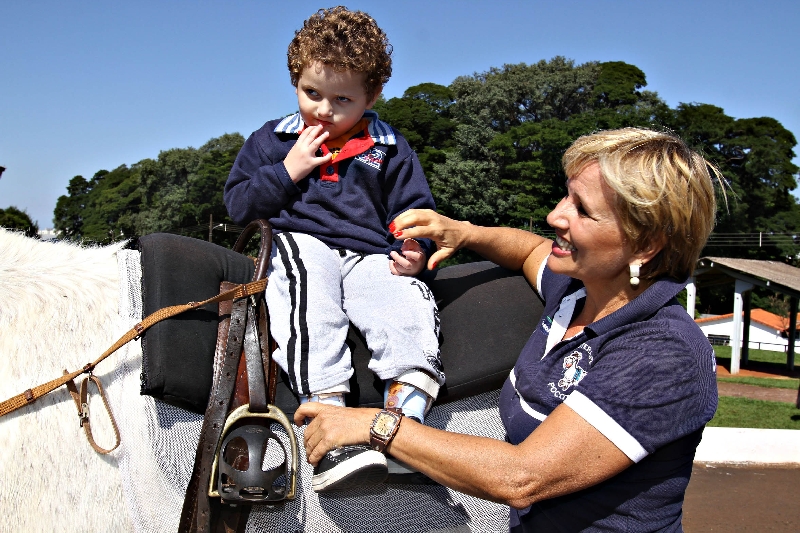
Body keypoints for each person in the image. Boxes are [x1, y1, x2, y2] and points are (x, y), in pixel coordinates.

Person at [297, 127, 722, 531]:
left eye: (583, 210)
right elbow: (530, 249)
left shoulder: (664, 352)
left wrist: (378, 426)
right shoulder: (576, 291)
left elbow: (523, 477)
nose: (555, 214)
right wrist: (463, 233)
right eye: (566, 196)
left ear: (646, 245)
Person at [224, 6, 444, 493]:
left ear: (373, 96)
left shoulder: (390, 147)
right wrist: (289, 169)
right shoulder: (272, 139)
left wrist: (415, 248)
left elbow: (414, 210)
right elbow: (239, 204)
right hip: (303, 241)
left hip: (370, 252)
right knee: (310, 297)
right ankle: (329, 422)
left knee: (402, 301)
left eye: (342, 99)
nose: (323, 110)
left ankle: (407, 425)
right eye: (311, 93)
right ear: (295, 82)